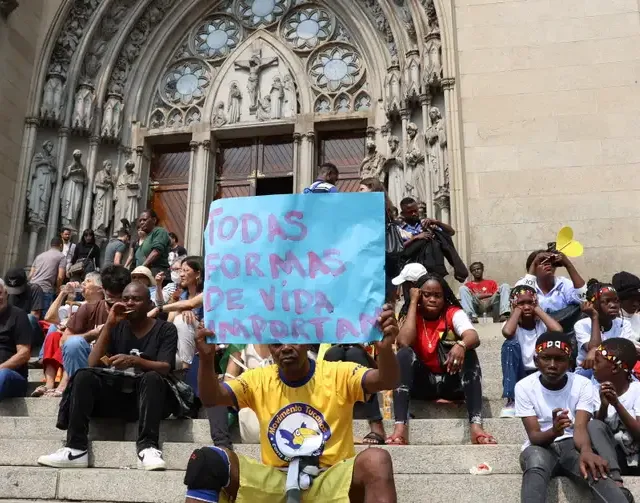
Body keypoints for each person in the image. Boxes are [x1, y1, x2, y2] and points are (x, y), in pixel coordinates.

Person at [184, 304, 399, 503]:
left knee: (376, 460)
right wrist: (205, 359)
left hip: (331, 477)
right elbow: (211, 398)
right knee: (207, 460)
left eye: (293, 338)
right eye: (277, 342)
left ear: (307, 340)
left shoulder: (337, 373)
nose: (285, 347)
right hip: (277, 480)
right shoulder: (258, 378)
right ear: (269, 347)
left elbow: (386, 380)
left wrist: (386, 349)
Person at [37, 283, 179, 471]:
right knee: (83, 375)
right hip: (119, 396)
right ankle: (76, 448)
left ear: (149, 304)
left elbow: (165, 368)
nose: (129, 303)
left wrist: (134, 361)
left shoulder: (166, 329)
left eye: (136, 299)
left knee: (152, 378)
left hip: (150, 401)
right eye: (126, 298)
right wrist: (110, 324)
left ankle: (148, 447)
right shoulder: (117, 327)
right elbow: (93, 362)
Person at [516, 331, 632, 503]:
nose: (552, 365)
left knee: (593, 467)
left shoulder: (581, 384)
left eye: (560, 359)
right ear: (535, 361)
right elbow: (534, 436)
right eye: (546, 358)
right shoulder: (524, 387)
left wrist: (586, 451)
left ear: (570, 363)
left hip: (574, 445)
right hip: (541, 447)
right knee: (536, 462)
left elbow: (580, 426)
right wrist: (554, 431)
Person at [386, 273, 496, 446]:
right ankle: (400, 427)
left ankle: (476, 425)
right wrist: (413, 302)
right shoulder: (411, 314)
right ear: (419, 295)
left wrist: (461, 345)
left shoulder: (453, 313)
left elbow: (473, 336)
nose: (432, 299)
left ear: (445, 297)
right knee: (404, 354)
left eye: (437, 295)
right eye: (426, 294)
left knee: (469, 351)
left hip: (450, 382)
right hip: (423, 384)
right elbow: (404, 342)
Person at [33, 273, 104, 397]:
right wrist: (63, 293)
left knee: (70, 342)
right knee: (53, 335)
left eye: (88, 281)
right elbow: (49, 317)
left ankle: (64, 383)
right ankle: (49, 384)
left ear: (99, 288)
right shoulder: (76, 304)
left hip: (86, 344)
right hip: (68, 338)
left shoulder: (104, 306)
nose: (83, 284)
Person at [59, 265, 131, 383]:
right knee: (73, 344)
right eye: (111, 297)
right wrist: (93, 334)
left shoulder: (135, 310)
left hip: (123, 368)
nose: (116, 302)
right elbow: (64, 341)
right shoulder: (88, 309)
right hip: (91, 367)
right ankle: (79, 388)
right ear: (103, 289)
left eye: (121, 297)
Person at [500, 285, 563, 418]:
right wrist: (516, 311)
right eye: (521, 303)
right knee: (509, 344)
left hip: (541, 372)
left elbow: (558, 331)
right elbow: (507, 332)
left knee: (555, 342)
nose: (527, 307)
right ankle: (512, 400)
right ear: (514, 304)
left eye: (530, 302)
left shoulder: (543, 324)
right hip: (520, 374)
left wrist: (538, 309)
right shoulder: (511, 325)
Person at [593, 338, 640, 478]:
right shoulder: (593, 390)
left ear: (614, 367)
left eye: (597, 362)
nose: (593, 366)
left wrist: (616, 404)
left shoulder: (637, 390)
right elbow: (596, 430)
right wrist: (604, 406)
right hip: (612, 455)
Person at [323, 343, 385, 445]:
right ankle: (330, 423)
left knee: (355, 353)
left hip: (365, 355)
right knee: (333, 353)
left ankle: (376, 422)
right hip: (334, 350)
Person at [575, 280, 637, 379]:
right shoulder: (582, 325)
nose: (613, 305)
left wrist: (595, 350)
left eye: (616, 301)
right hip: (588, 371)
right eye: (607, 301)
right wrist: (594, 317)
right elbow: (594, 350)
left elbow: (622, 354)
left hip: (616, 369)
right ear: (593, 304)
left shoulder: (624, 324)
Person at [396, 198, 467, 282]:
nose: (414, 214)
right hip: (412, 272)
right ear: (403, 213)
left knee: (440, 237)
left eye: (415, 211)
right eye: (410, 212)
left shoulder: (426, 224)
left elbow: (451, 232)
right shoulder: (399, 229)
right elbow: (397, 248)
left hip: (433, 268)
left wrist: (437, 222)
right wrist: (415, 238)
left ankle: (458, 269)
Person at [515, 250, 586, 334]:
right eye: (542, 262)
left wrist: (568, 264)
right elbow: (523, 298)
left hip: (563, 331)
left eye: (550, 262)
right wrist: (534, 263)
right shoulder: (523, 283)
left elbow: (584, 298)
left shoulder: (563, 283)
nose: (547, 264)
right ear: (532, 268)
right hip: (534, 331)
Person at [359, 177, 400, 303]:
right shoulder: (386, 207)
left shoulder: (375, 209)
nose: (359, 192)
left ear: (372, 188)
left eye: (362, 189)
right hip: (384, 260)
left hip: (380, 258)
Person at [163, 256, 203, 369]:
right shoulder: (179, 295)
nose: (181, 274)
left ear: (198, 274)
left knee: (183, 320)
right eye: (181, 271)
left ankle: (185, 369)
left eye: (186, 271)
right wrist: (181, 309)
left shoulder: (206, 294)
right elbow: (169, 323)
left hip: (202, 339)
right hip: (179, 344)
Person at [0, 279, 32, 401]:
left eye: (0, 293)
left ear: (6, 293)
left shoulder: (18, 315)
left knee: (3, 375)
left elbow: (24, 353)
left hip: (12, 377)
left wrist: (1, 368)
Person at [4, 267, 45, 347]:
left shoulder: (34, 289)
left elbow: (35, 316)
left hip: (29, 329)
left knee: (30, 318)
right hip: (10, 327)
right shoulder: (5, 292)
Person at [30, 237, 66, 313]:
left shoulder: (39, 256)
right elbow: (60, 276)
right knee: (43, 317)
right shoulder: (61, 257)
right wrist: (58, 288)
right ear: (60, 245)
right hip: (45, 289)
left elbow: (31, 274)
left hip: (32, 287)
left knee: (31, 314)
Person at [135, 209, 171, 277]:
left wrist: (142, 268)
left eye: (144, 220)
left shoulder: (159, 231)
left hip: (156, 274)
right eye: (140, 221)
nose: (142, 222)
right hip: (143, 275)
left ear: (154, 220)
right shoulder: (146, 237)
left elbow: (156, 252)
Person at [612, 271, 640, 338]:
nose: (636, 304)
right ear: (619, 300)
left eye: (639, 300)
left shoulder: (638, 319)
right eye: (631, 299)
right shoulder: (611, 323)